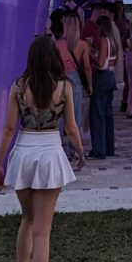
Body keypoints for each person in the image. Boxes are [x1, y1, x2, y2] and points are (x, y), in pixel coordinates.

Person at [0, 36, 85, 262]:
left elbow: (9, 128)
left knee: (27, 219)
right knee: (43, 232)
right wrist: (80, 152)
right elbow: (71, 128)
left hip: (22, 151)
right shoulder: (65, 87)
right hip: (49, 152)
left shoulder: (18, 86)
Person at [56, 13, 92, 157]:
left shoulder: (58, 44)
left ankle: (58, 149)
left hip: (60, 79)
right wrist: (90, 85)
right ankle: (73, 150)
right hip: (75, 80)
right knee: (75, 116)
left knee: (59, 116)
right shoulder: (83, 45)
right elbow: (87, 67)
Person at [88, 16, 119, 158]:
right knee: (108, 114)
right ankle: (109, 147)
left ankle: (99, 149)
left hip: (101, 77)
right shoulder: (114, 41)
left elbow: (100, 62)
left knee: (97, 114)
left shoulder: (103, 40)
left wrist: (90, 55)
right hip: (111, 77)